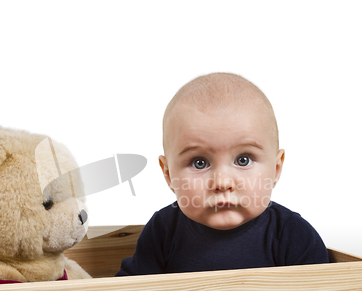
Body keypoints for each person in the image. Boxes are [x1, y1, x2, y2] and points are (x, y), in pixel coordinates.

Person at [116, 72, 328, 276]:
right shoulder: (163, 231)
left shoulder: (292, 235)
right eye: (199, 163)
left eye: (243, 160)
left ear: (275, 169)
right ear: (169, 175)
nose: (222, 182)